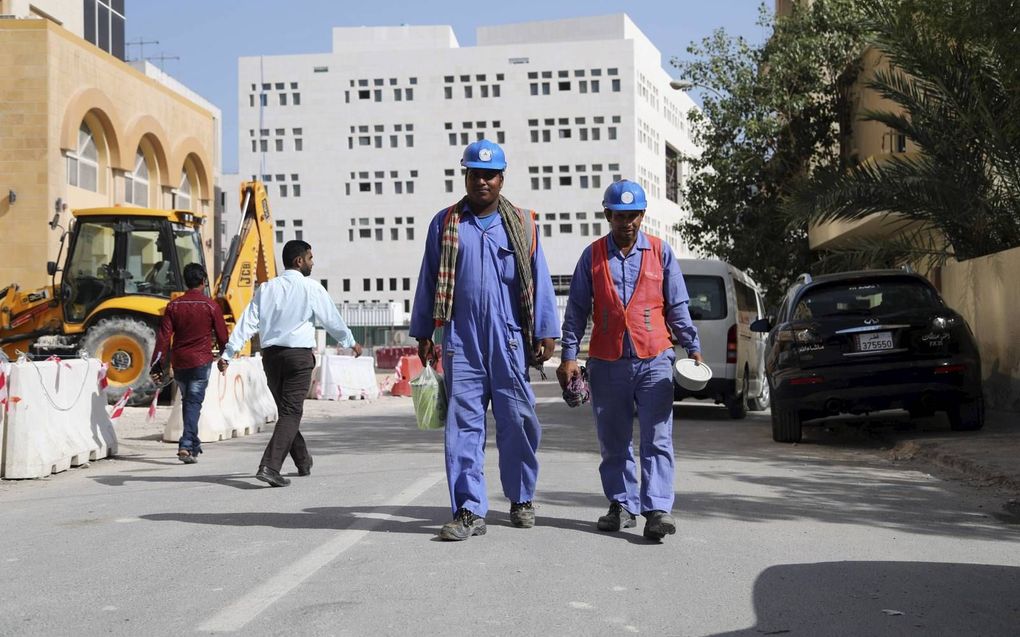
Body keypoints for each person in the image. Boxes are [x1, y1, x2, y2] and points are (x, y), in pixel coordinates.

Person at [410, 139, 560, 541]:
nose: (482, 182)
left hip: (509, 338)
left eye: (490, 175)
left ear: (501, 178)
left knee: (519, 422)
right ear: (466, 176)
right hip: (461, 338)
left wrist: (547, 330)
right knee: (463, 427)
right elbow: (429, 279)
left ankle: (521, 497)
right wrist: (424, 330)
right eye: (475, 174)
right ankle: (468, 509)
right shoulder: (445, 224)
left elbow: (539, 277)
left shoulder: (523, 223)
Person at [556, 180, 702, 542]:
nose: (628, 223)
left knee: (658, 437)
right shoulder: (592, 257)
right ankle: (622, 504)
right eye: (620, 216)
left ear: (642, 215)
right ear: (608, 215)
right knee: (614, 439)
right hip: (607, 361)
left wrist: (692, 346)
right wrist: (569, 356)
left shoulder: (659, 252)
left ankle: (657, 510)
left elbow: (678, 305)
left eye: (634, 215)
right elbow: (575, 311)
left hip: (654, 358)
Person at [219, 240, 363, 487]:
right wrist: (350, 341)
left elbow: (247, 322)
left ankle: (302, 460)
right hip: (298, 358)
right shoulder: (311, 288)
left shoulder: (266, 289)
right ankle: (269, 466)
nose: (312, 262)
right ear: (299, 261)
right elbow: (331, 319)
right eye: (310, 258)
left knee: (287, 412)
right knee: (291, 412)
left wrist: (228, 353)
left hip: (271, 359)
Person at [150, 263, 229, 464]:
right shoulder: (211, 306)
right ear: (203, 281)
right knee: (193, 403)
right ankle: (186, 444)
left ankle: (193, 444)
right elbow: (222, 336)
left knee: (189, 402)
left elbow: (163, 338)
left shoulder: (173, 306)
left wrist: (157, 364)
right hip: (201, 362)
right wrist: (224, 357)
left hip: (180, 363)